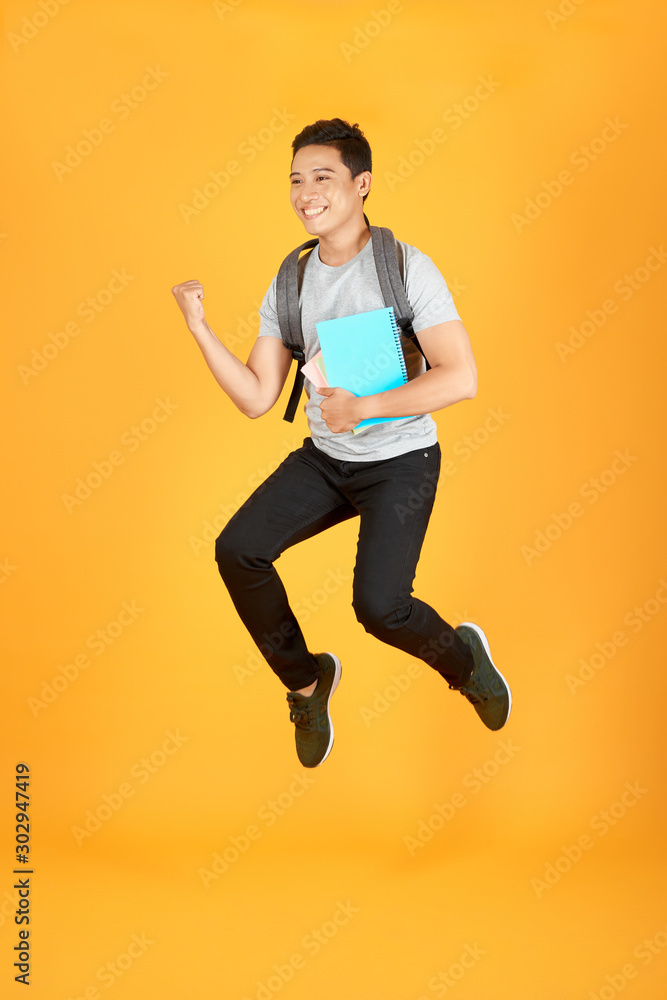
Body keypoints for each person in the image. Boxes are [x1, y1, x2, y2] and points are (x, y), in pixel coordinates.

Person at [171, 117, 511, 768]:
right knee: (238, 551)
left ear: (361, 185)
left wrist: (367, 407)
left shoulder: (404, 266)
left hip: (400, 462)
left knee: (380, 608)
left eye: (322, 177)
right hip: (328, 459)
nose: (305, 192)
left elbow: (461, 378)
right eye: (296, 180)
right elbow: (254, 398)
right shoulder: (291, 280)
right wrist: (198, 327)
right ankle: (305, 681)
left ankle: (463, 660)